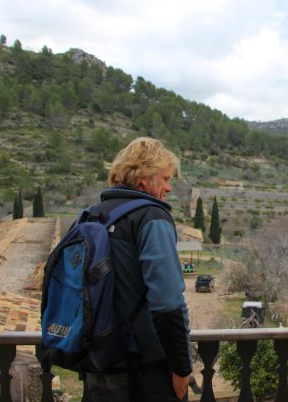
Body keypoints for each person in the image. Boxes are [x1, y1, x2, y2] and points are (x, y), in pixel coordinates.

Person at [85, 137, 192, 402]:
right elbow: (168, 302)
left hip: (97, 364)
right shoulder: (152, 218)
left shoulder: (93, 215)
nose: (168, 187)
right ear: (145, 177)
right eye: (165, 179)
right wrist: (181, 368)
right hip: (145, 371)